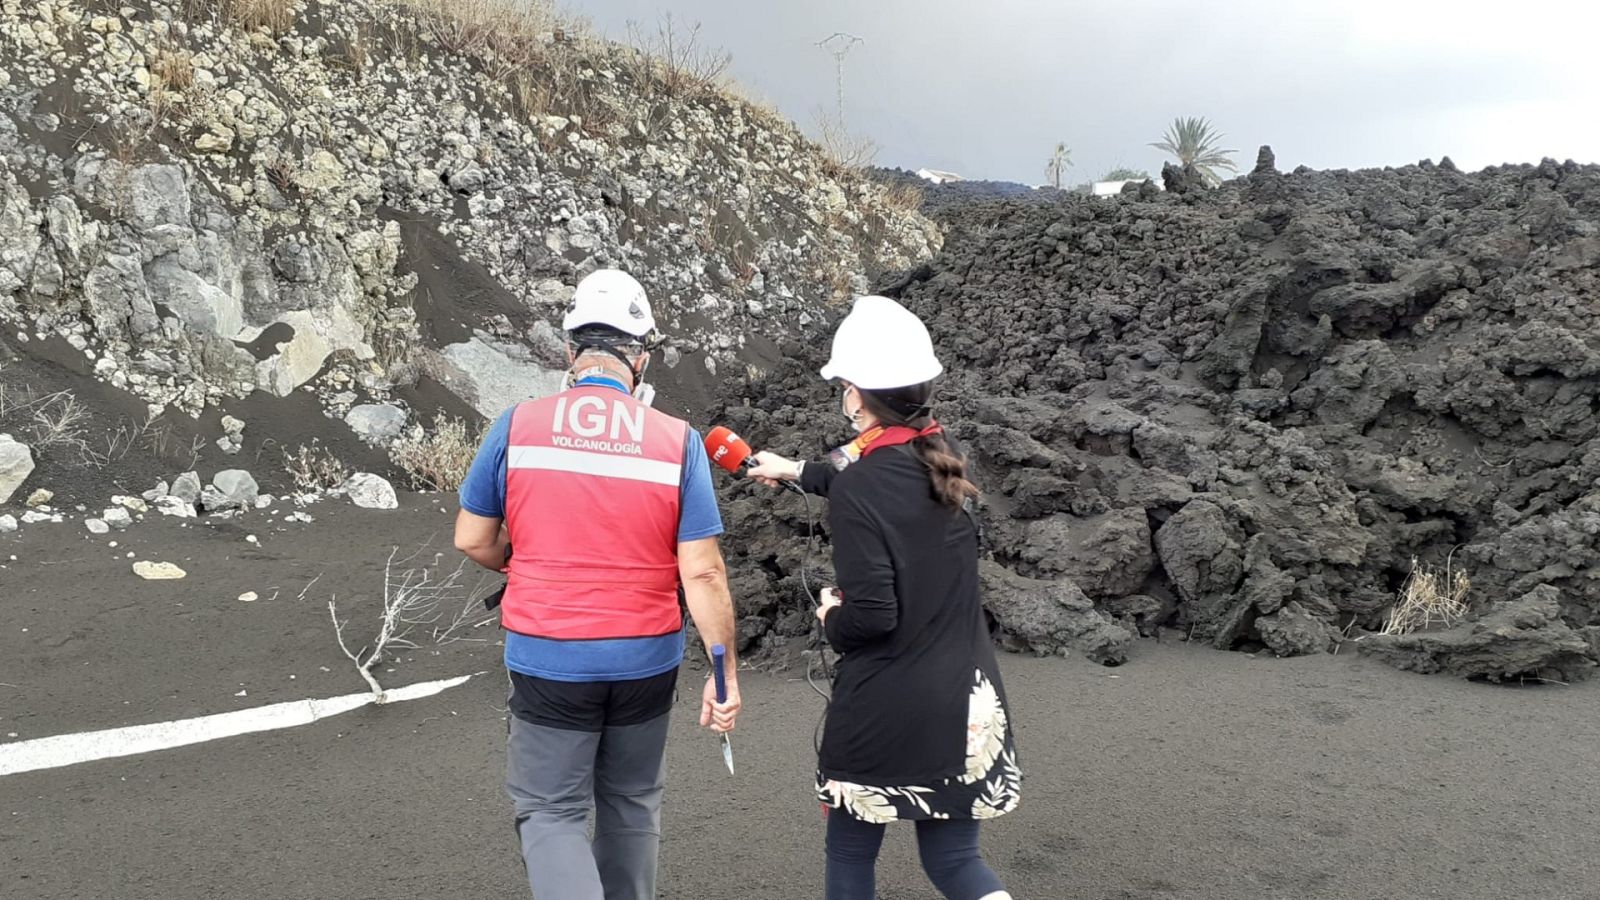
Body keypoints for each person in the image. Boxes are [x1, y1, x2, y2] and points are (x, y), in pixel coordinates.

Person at [454, 268, 742, 900]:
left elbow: (473, 538)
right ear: (641, 358)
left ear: (570, 351)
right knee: (632, 802)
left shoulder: (517, 425)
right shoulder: (679, 442)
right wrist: (724, 675)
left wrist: (523, 563)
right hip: (645, 659)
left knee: (551, 811)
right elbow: (702, 571)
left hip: (550, 655)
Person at [747, 295, 1018, 900]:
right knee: (955, 862)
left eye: (845, 385)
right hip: (967, 702)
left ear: (858, 395)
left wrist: (830, 616)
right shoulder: (940, 453)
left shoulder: (864, 486)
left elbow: (871, 617)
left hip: (888, 706)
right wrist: (795, 470)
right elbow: (856, 468)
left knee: (850, 855)